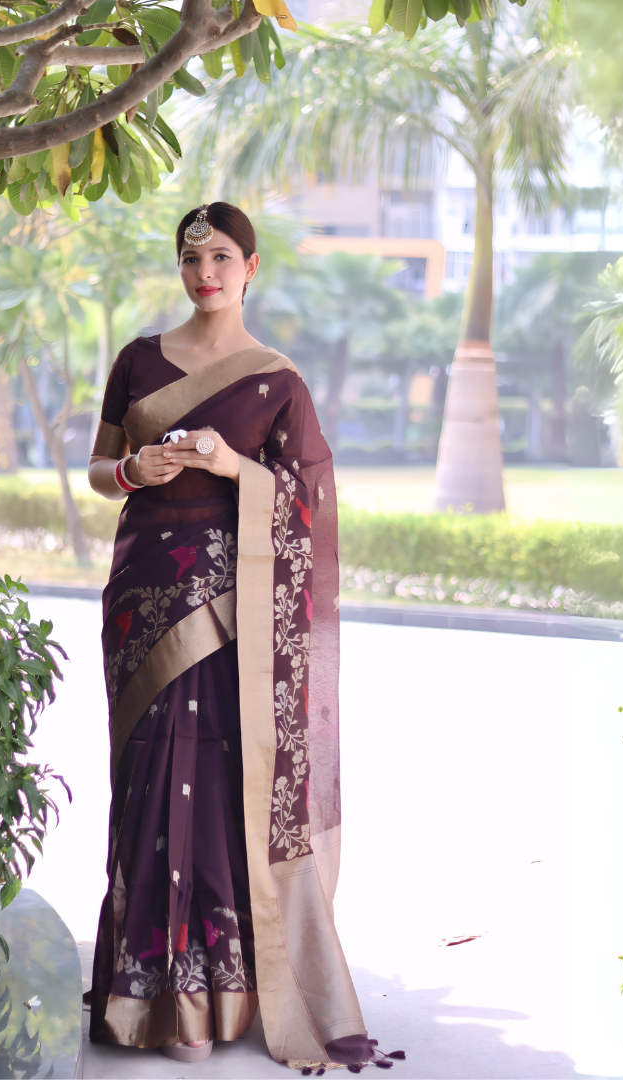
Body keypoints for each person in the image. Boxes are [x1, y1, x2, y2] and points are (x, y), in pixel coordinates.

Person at [86, 203, 392, 1072]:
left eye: (220, 256)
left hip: (232, 615)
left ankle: (217, 1000)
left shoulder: (276, 381)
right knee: (148, 782)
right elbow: (102, 470)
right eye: (190, 257)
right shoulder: (138, 360)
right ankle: (142, 993)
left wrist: (230, 467)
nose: (204, 271)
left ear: (251, 266)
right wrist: (135, 470)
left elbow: (308, 508)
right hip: (143, 599)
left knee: (218, 782)